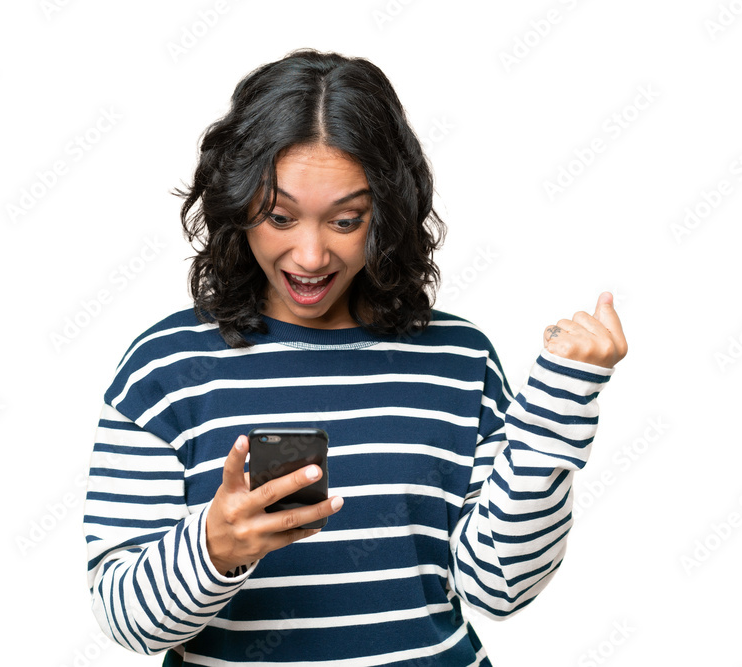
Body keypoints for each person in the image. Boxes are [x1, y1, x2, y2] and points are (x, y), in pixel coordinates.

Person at [82, 48, 627, 666]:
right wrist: (213, 549)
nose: (311, 256)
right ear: (237, 204)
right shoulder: (165, 368)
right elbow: (126, 622)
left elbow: (500, 587)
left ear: (388, 214)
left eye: (346, 221)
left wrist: (560, 406)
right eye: (279, 216)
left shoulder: (459, 358)